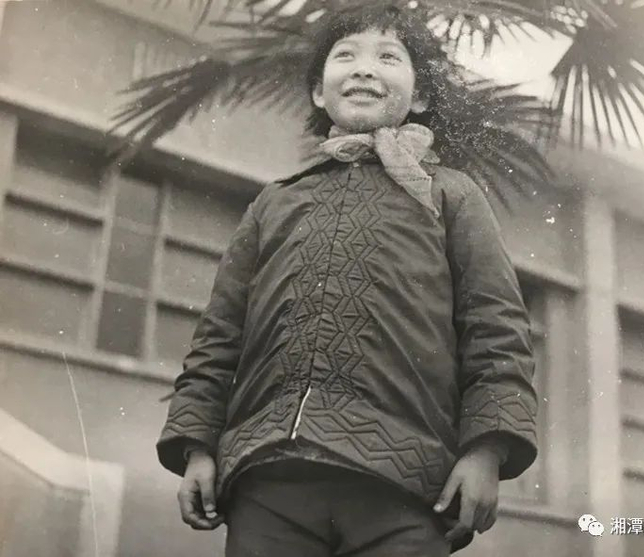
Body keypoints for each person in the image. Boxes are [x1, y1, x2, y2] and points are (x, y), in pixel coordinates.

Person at [156, 4, 538, 556]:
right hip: (269, 480)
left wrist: (486, 452)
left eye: (389, 57)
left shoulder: (450, 194)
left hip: (408, 486)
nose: (364, 68)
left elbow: (496, 330)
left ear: (420, 96)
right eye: (346, 55)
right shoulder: (274, 202)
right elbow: (219, 337)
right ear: (318, 91)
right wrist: (196, 446)